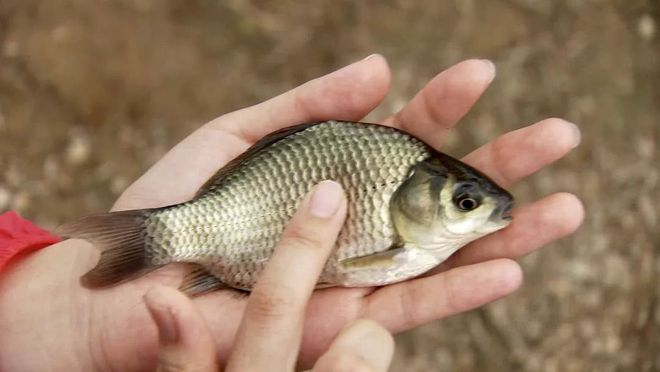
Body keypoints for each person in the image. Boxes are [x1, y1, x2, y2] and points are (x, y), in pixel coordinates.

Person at [0, 55, 584, 371]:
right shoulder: (396, 245)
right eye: (465, 202)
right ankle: (162, 236)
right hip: (238, 223)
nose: (475, 212)